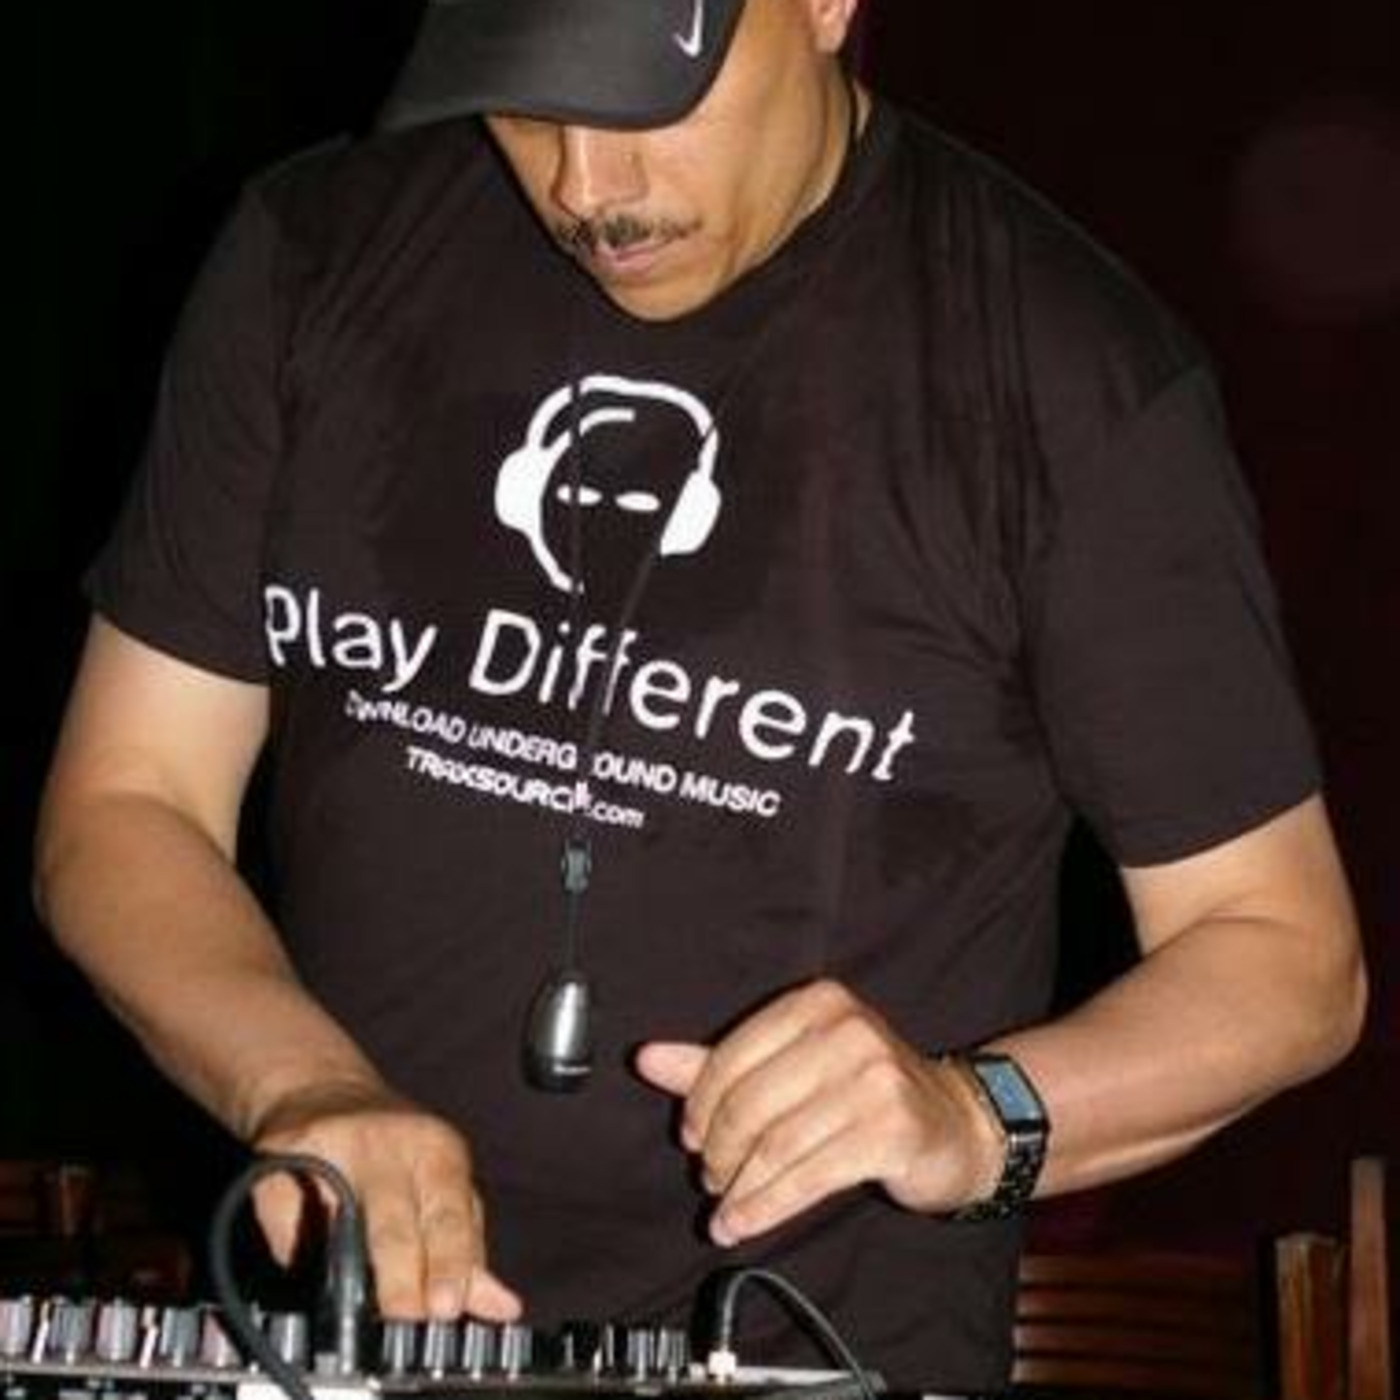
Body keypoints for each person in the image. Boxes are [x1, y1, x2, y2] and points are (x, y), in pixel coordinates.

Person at [33, 0, 1366, 1392]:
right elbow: (128, 802)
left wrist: (970, 1119)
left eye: (646, 101)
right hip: (343, 1348)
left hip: (816, 1355)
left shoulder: (1064, 374)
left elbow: (1280, 955)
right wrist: (299, 1083)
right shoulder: (312, 253)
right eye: (525, 108)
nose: (586, 189)